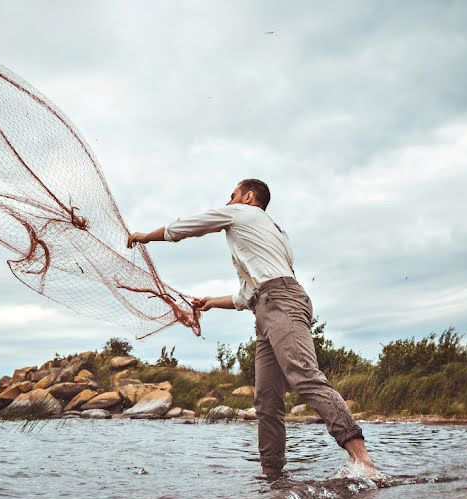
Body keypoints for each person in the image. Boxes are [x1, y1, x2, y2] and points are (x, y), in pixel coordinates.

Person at [126, 179, 377, 477]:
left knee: (304, 376)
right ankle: (273, 477)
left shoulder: (241, 213)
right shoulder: (269, 233)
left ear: (248, 197)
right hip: (267, 306)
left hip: (281, 302)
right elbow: (247, 296)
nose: (228, 202)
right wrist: (211, 302)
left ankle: (363, 461)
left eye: (231, 196)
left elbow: (188, 226)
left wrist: (146, 236)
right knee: (267, 400)